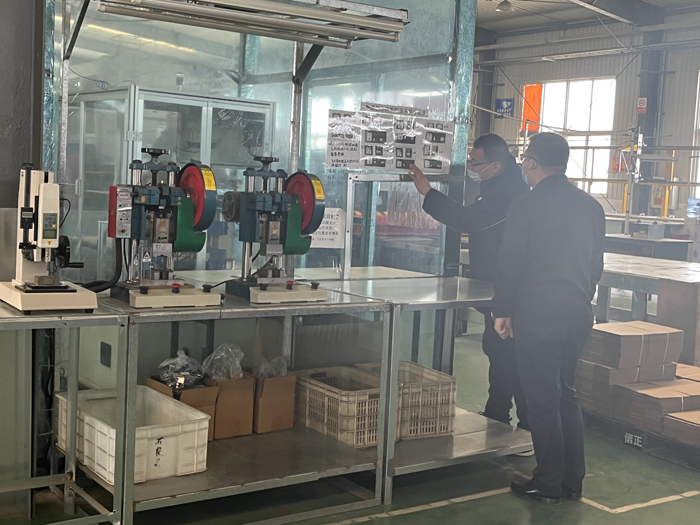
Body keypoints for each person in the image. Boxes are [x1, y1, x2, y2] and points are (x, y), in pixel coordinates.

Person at [492, 133, 605, 505]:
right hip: (578, 313)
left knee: (542, 400)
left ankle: (547, 482)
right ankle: (572, 481)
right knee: (566, 395)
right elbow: (596, 265)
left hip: (538, 314)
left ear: (531, 163)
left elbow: (512, 260)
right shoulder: (591, 206)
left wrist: (503, 310)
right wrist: (579, 297)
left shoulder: (526, 205)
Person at [408, 133, 530, 432]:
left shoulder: (508, 196)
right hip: (496, 285)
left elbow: (467, 220)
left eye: (475, 162)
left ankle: (528, 428)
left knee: (511, 358)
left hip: (508, 288)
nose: (471, 167)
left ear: (496, 165)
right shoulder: (498, 187)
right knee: (498, 353)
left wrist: (428, 192)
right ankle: (497, 414)